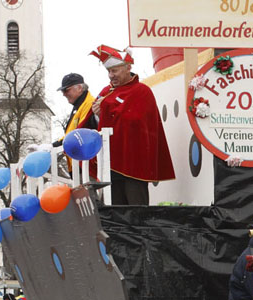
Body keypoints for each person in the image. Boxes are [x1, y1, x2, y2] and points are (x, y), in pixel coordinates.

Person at [90, 44, 175, 205]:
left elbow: (136, 121)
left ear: (128, 67)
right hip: (111, 162)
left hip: (134, 163)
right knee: (115, 208)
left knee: (137, 206)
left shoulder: (141, 91)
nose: (110, 75)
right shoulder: (106, 92)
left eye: (114, 70)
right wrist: (99, 115)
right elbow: (97, 123)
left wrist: (107, 107)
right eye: (109, 71)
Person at [53, 73, 98, 176]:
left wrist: (55, 146)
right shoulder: (79, 105)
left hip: (86, 165)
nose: (63, 94)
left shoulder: (88, 104)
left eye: (66, 90)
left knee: (88, 192)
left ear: (79, 88)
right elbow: (71, 133)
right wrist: (53, 146)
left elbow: (79, 133)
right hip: (78, 164)